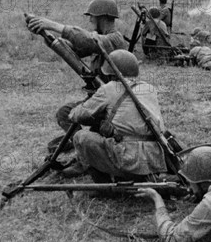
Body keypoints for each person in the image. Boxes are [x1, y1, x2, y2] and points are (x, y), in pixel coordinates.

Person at [27, 0, 127, 151]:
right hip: (99, 99)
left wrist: (53, 25)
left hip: (114, 106)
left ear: (102, 17)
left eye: (92, 16)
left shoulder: (115, 39)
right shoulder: (101, 38)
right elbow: (75, 49)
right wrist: (47, 36)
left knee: (79, 119)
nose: (90, 20)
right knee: (65, 113)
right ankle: (84, 150)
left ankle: (87, 156)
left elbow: (89, 41)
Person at [60, 50, 168, 182]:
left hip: (128, 160)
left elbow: (77, 115)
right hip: (153, 160)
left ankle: (103, 186)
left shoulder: (109, 89)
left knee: (81, 137)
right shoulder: (149, 88)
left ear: (110, 73)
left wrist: (87, 107)